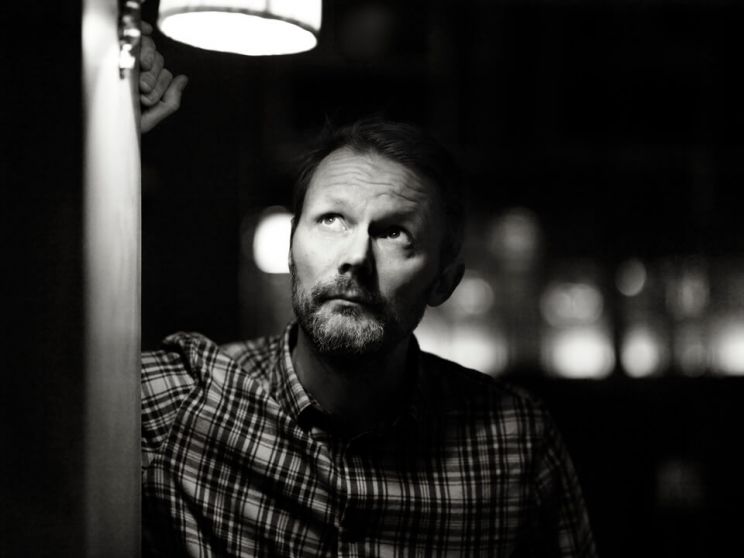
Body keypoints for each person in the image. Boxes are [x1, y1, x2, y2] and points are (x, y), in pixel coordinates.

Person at [139, 25, 597, 558]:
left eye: (394, 233)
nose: (355, 257)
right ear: (290, 248)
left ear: (444, 280)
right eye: (331, 219)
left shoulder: (515, 442)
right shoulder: (182, 401)